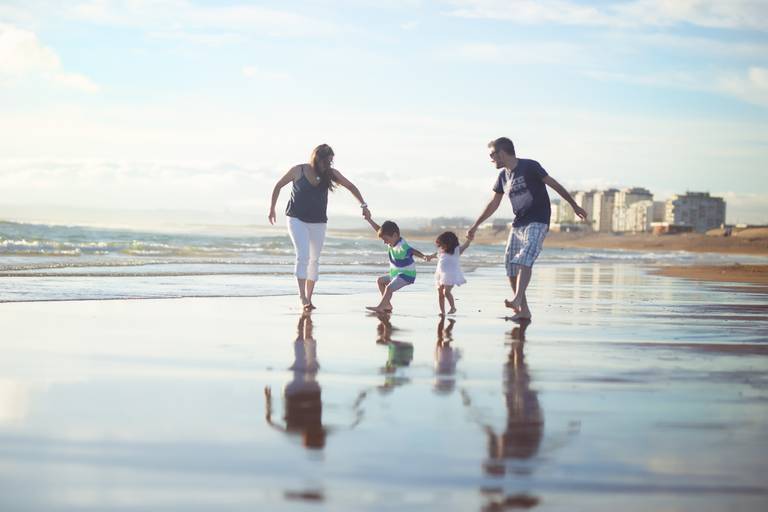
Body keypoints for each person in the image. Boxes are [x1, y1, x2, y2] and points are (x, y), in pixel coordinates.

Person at [467, 137, 588, 321]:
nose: (491, 159)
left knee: (526, 255)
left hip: (538, 220)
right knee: (510, 264)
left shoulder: (529, 166)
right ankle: (524, 311)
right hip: (519, 223)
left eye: (492, 155)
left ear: (502, 153)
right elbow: (493, 203)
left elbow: (553, 184)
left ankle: (516, 299)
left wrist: (574, 206)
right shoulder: (502, 177)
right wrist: (475, 225)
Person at [268, 144, 371, 311]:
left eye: (331, 161)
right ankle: (301, 296)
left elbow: (351, 186)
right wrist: (272, 208)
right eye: (326, 161)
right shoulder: (298, 170)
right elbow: (278, 185)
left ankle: (309, 298)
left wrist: (364, 206)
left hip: (319, 222)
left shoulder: (330, 173)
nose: (329, 164)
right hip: (296, 219)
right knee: (303, 256)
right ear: (317, 158)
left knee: (314, 259)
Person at [362, 215, 428, 313]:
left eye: (386, 239)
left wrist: (424, 257)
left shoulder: (402, 246)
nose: (384, 242)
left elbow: (412, 251)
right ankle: (387, 305)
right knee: (380, 281)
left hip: (406, 275)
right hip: (396, 274)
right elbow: (379, 229)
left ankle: (381, 306)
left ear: (395, 235)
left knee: (389, 288)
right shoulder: (392, 241)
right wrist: (369, 220)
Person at [426, 231, 472, 315]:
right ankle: (442, 312)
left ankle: (453, 307)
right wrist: (430, 257)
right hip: (440, 275)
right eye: (440, 245)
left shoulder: (456, 250)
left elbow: (465, 246)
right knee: (440, 293)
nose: (441, 246)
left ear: (449, 243)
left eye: (442, 244)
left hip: (451, 275)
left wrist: (469, 240)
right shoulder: (441, 250)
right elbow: (435, 254)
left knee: (446, 292)